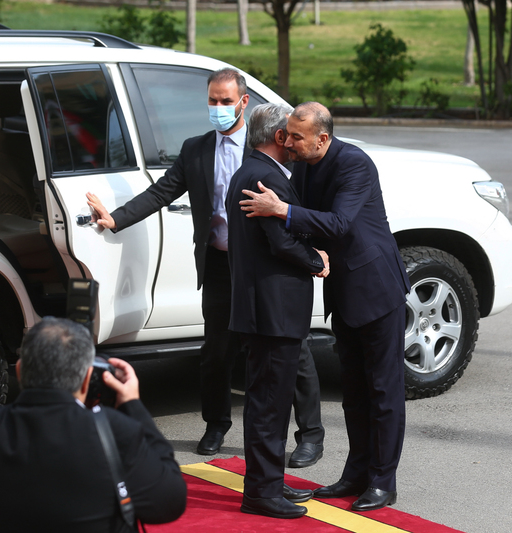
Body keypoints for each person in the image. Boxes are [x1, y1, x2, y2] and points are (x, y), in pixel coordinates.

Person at [85, 68, 325, 468]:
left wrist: (315, 250)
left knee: (292, 348)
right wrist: (116, 218)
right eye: (212, 100)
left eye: (225, 101)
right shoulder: (196, 149)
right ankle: (216, 424)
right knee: (216, 350)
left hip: (266, 264)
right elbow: (162, 191)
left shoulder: (271, 145)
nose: (217, 107)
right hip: (219, 263)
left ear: (243, 102)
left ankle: (311, 435)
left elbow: (302, 198)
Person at [239, 102, 411, 512]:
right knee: (354, 391)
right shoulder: (303, 164)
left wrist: (281, 210)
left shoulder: (354, 164)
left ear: (323, 138)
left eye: (297, 137)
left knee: (383, 390)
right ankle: (356, 474)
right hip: (343, 292)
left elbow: (337, 223)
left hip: (376, 288)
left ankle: (383, 481)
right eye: (287, 135)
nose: (289, 143)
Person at [0, 317, 186, 532]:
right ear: (86, 379)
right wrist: (133, 405)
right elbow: (169, 503)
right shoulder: (112, 429)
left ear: (19, 370)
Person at [226, 103, 329, 519]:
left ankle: (267, 480)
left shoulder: (250, 171)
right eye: (290, 133)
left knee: (267, 401)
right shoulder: (265, 177)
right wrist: (316, 259)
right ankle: (261, 493)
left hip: (263, 309)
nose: (294, 141)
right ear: (278, 136)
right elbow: (281, 241)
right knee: (270, 404)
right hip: (272, 311)